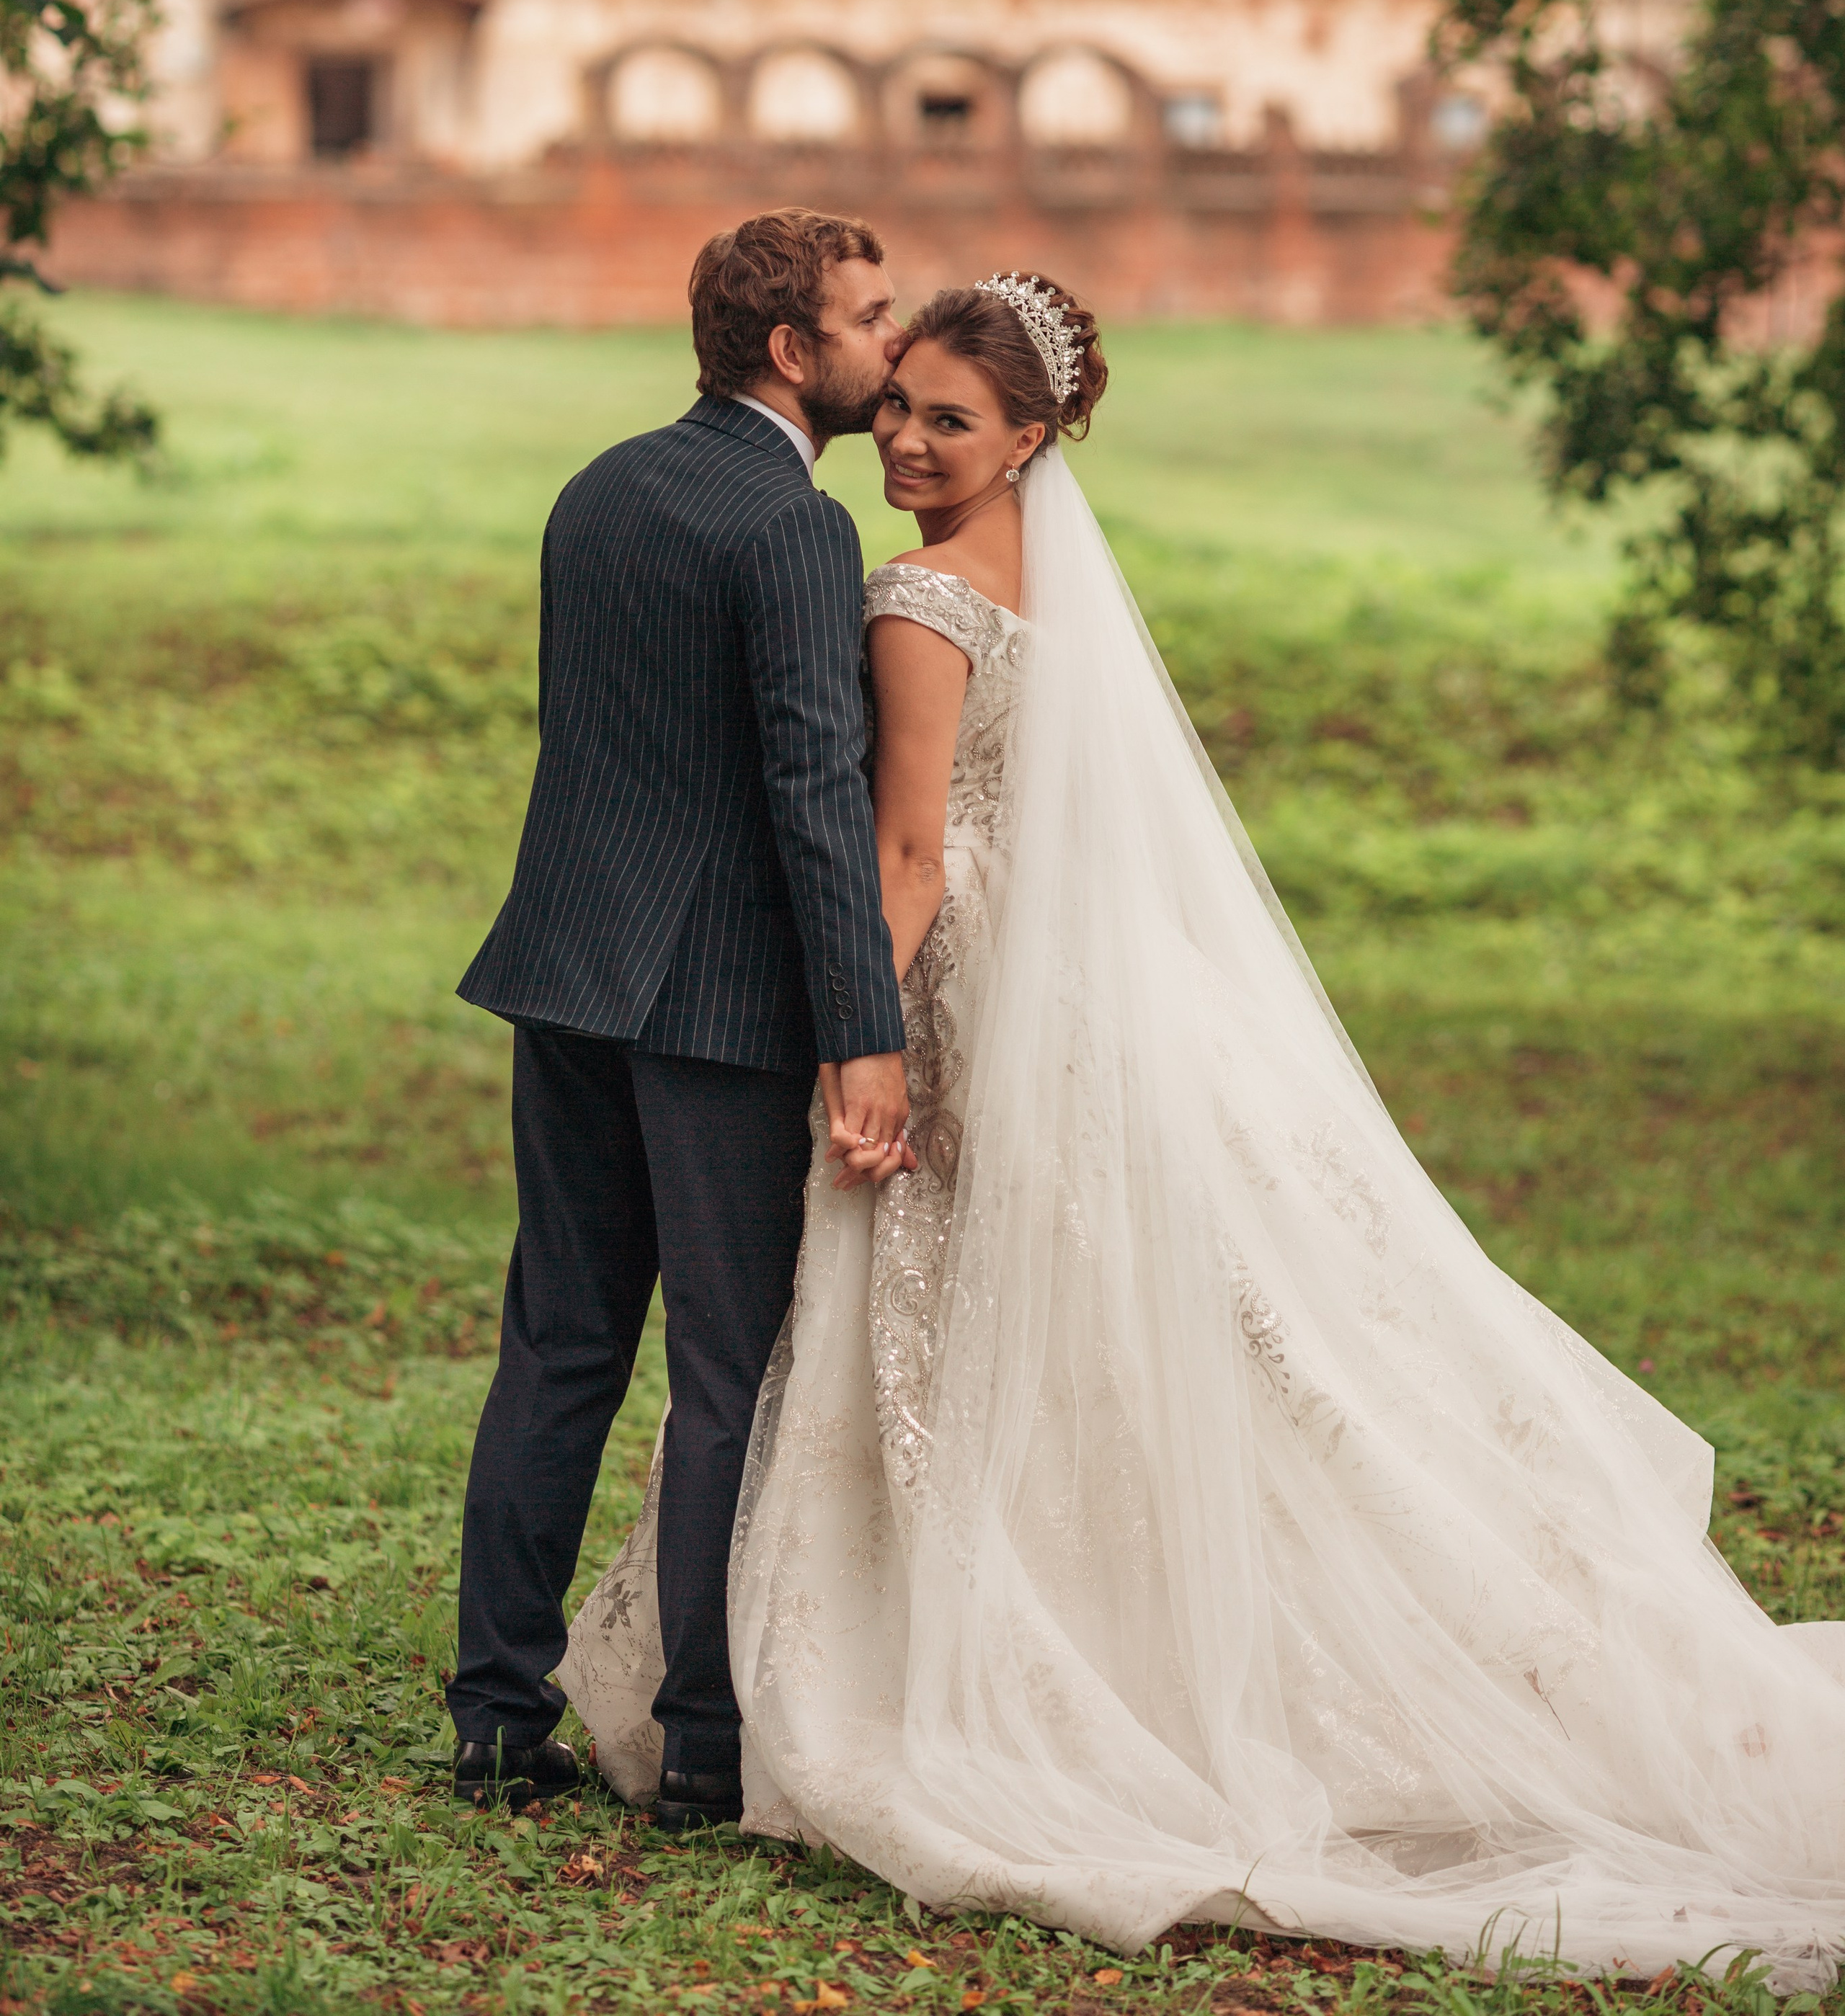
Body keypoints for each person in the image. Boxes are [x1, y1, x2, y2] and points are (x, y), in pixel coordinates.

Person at [566, 272, 1845, 1987]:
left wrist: (854, 1045)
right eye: (907, 407)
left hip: (965, 999)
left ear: (1033, 432)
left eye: (955, 418)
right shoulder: (1048, 575)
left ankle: (1003, 1660)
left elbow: (909, 856)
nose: (912, 442)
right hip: (1088, 996)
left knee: (981, 1319)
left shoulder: (920, 598)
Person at [448, 208, 915, 1824]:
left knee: (559, 1346)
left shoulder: (601, 486)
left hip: (563, 975)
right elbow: (809, 791)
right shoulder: (793, 534)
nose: (889, 342)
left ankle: (495, 1717)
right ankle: (705, 1745)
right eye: (869, 318)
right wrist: (867, 1027)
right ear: (794, 352)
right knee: (726, 1370)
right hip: (714, 1008)